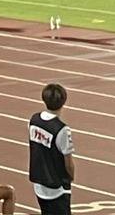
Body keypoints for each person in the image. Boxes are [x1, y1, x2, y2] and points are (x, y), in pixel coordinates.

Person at [28, 83, 76, 214]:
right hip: (57, 186)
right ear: (64, 101)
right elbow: (68, 162)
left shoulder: (34, 120)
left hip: (39, 183)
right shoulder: (62, 130)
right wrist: (70, 178)